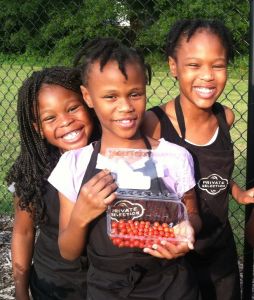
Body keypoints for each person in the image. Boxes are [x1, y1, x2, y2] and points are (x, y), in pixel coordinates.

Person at [48, 37, 202, 300]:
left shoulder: (174, 157)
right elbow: (68, 251)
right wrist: (82, 214)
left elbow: (193, 213)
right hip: (106, 290)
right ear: (88, 96)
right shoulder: (74, 164)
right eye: (110, 96)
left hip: (171, 286)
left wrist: (187, 230)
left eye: (135, 94)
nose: (125, 107)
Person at [143, 19, 254, 300]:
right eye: (194, 65)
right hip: (176, 256)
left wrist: (236, 192)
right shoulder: (154, 123)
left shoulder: (225, 117)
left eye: (217, 65)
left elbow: (212, 171)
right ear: (173, 67)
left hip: (220, 249)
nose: (207, 76)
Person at [6, 66, 100, 300]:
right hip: (56, 286)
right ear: (38, 129)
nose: (66, 122)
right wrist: (20, 292)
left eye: (73, 108)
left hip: (109, 282)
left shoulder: (114, 153)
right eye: (50, 118)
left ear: (87, 102)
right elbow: (24, 232)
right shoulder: (33, 170)